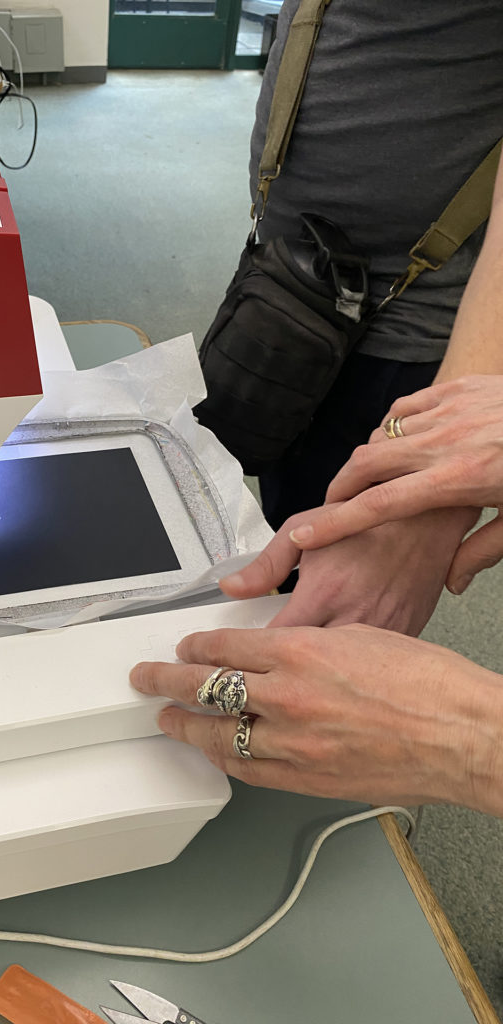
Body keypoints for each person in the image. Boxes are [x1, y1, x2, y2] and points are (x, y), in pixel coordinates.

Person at [124, 138, 503, 815]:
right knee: (295, 534)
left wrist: (466, 739)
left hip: (412, 317)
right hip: (305, 282)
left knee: (335, 617)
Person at [218, 1, 503, 636]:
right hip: (289, 287)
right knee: (278, 511)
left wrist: (440, 467)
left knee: (329, 614)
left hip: (412, 324)